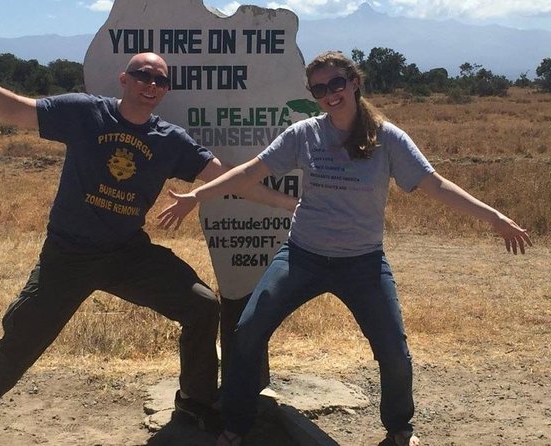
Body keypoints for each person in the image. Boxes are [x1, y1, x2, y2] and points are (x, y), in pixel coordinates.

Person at [0, 24, 296, 446]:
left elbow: (231, 179)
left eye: (160, 80)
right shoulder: (85, 113)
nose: (151, 84)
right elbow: (15, 110)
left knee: (202, 306)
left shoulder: (169, 140)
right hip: (69, 255)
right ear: (124, 79)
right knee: (23, 340)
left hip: (126, 254)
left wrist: (288, 204)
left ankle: (195, 399)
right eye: (143, 75)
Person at [157, 51, 532, 446]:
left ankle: (400, 428)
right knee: (248, 331)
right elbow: (252, 171)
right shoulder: (305, 134)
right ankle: (235, 425)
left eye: (336, 83)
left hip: (363, 264)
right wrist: (197, 195)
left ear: (354, 82)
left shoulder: (387, 138)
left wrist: (495, 219)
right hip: (302, 256)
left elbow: (434, 184)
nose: (329, 94)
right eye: (320, 89)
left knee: (393, 352)